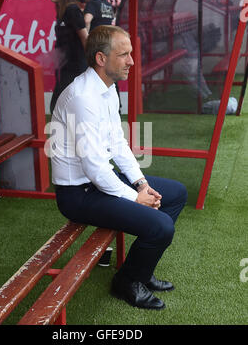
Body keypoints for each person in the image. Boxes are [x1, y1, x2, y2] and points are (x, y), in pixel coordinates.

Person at [50, 25, 188, 310]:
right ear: (101, 59)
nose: (132, 62)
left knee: (176, 193)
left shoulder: (107, 89)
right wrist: (134, 197)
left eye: (131, 54)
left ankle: (139, 272)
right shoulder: (82, 97)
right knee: (161, 226)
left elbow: (117, 143)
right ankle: (127, 282)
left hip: (99, 181)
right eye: (124, 55)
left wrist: (140, 183)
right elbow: (94, 167)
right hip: (78, 194)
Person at [48, 0, 88, 114]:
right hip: (65, 68)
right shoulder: (62, 12)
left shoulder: (72, 10)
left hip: (75, 69)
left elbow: (85, 38)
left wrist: (92, 64)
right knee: (58, 107)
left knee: (60, 107)